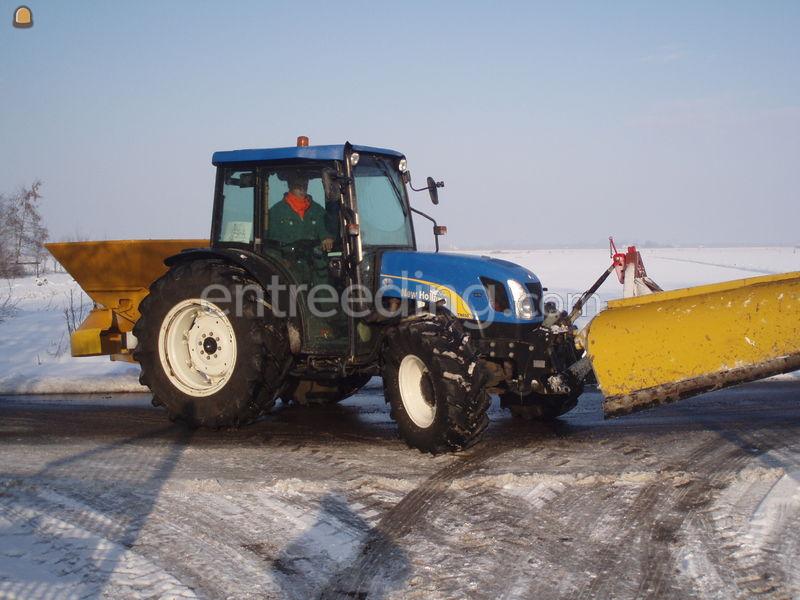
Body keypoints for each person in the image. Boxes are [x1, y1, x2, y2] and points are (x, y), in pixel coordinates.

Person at [267, 172, 335, 251]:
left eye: (305, 185)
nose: (302, 189)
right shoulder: (276, 212)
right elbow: (270, 246)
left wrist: (328, 238)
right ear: (290, 185)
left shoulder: (318, 210)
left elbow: (328, 232)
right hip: (284, 261)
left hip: (315, 261)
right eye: (298, 186)